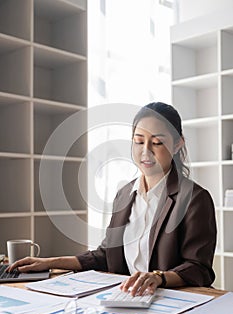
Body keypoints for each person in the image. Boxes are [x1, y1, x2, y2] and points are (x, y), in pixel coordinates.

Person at [9, 102, 217, 296]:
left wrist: (158, 277)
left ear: (178, 144)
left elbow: (199, 268)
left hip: (173, 300)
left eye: (157, 142)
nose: (146, 152)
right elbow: (106, 255)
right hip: (128, 297)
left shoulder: (195, 199)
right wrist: (49, 262)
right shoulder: (125, 194)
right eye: (138, 141)